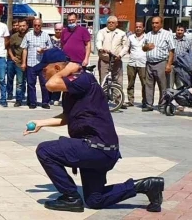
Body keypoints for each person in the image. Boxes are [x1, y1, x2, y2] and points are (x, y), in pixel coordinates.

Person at [26, 48, 164, 213]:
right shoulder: (72, 85)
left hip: (97, 147)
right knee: (94, 200)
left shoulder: (82, 79)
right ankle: (147, 185)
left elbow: (50, 85)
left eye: (44, 69)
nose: (42, 73)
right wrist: (41, 123)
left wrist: (68, 68)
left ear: (57, 68)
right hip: (97, 149)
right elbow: (68, 116)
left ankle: (71, 198)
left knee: (45, 151)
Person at [142, 17, 175, 112]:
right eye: (153, 23)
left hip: (161, 63)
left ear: (161, 24)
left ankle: (162, 105)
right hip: (149, 63)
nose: (154, 25)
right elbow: (143, 48)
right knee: (148, 85)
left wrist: (169, 64)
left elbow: (172, 50)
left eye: (156, 23)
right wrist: (146, 46)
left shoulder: (167, 34)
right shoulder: (148, 35)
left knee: (163, 85)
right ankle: (149, 104)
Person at [22, 18, 53, 109]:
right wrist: (24, 63)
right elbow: (24, 49)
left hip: (43, 64)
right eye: (35, 25)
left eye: (39, 25)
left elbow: (50, 47)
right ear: (33, 25)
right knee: (31, 84)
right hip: (31, 63)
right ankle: (32, 102)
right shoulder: (28, 35)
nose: (37, 27)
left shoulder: (46, 35)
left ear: (41, 25)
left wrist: (44, 50)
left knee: (44, 84)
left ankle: (45, 102)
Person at [95, 16, 128, 95]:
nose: (111, 24)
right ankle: (104, 99)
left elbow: (126, 46)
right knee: (103, 80)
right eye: (109, 22)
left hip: (116, 60)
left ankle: (118, 100)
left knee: (118, 80)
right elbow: (99, 41)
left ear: (116, 24)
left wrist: (120, 55)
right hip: (104, 60)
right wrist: (100, 49)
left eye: (113, 22)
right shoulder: (101, 32)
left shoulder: (121, 33)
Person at [126, 22, 147, 108]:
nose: (138, 28)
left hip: (143, 64)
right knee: (130, 83)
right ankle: (130, 101)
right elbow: (127, 48)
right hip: (132, 63)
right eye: (136, 27)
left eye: (140, 27)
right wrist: (120, 55)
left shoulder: (147, 37)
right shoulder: (130, 37)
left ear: (143, 28)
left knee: (145, 84)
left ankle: (145, 101)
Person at [7, 19, 27, 106]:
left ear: (26, 26)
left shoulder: (30, 35)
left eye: (23, 26)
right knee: (15, 80)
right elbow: (8, 47)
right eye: (20, 26)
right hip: (17, 61)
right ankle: (15, 98)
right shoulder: (14, 36)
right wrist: (12, 56)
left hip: (27, 62)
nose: (22, 28)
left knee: (23, 81)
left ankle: (22, 97)